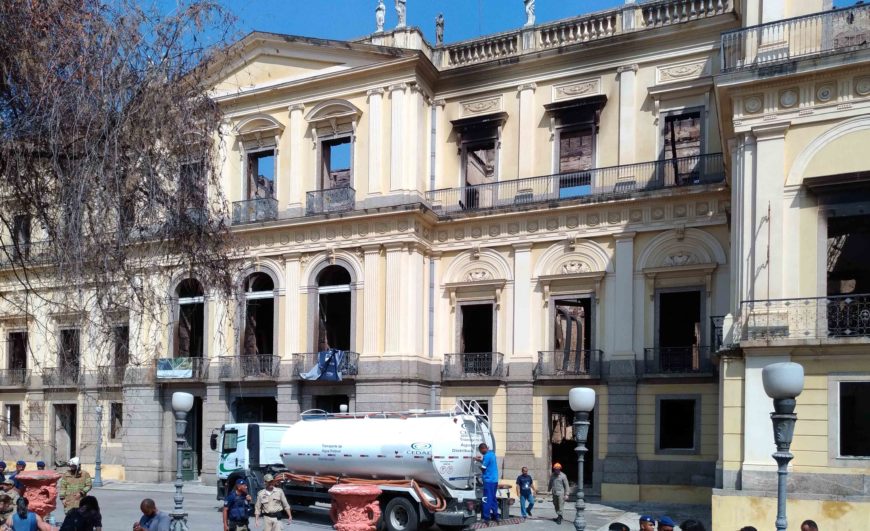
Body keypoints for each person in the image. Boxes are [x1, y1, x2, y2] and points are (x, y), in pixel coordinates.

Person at [474, 443, 499, 523]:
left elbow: (484, 468)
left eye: (481, 451)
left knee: (486, 499)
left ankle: (486, 518)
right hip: (494, 480)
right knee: (493, 498)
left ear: (482, 449)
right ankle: (496, 516)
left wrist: (478, 468)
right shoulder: (492, 454)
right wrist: (480, 460)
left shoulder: (486, 456)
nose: (481, 452)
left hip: (488, 481)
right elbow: (488, 463)